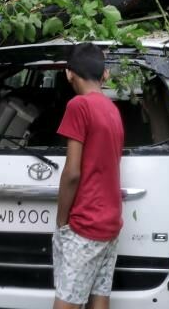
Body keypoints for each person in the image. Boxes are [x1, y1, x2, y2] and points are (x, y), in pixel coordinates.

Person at [53, 43, 125, 309]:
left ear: (69, 74)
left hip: (84, 224)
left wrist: (62, 221)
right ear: (104, 74)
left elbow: (72, 172)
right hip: (110, 223)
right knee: (99, 295)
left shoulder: (79, 106)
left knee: (67, 302)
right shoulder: (112, 110)